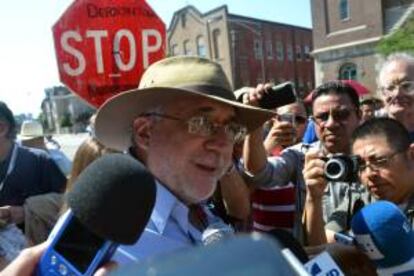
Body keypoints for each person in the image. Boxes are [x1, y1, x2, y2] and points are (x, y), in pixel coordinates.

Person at [93, 56, 274, 262]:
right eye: (203, 123)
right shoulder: (102, 240)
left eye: (232, 128)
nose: (224, 144)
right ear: (145, 133)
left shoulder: (197, 210)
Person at [242, 81, 362, 243]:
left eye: (342, 115)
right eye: (322, 117)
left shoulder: (377, 157)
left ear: (359, 115)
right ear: (313, 121)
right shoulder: (301, 155)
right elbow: (258, 172)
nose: (331, 124)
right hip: (316, 262)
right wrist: (254, 117)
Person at [305, 117, 414, 245]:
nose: (369, 174)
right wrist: (313, 198)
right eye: (361, 165)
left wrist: (355, 253)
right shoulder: (359, 199)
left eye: (379, 161)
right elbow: (320, 251)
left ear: (411, 155)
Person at [0, 102, 66, 221]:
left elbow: (68, 204)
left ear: (2, 128)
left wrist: (27, 212)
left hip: (35, 238)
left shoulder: (39, 161)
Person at [251, 101, 308, 232]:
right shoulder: (256, 153)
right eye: (286, 118)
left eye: (299, 119)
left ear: (307, 122)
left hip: (302, 244)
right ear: (274, 121)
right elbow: (247, 183)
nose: (293, 124)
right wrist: (267, 147)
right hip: (268, 245)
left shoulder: (313, 153)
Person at [378, 52, 414, 140]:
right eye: (390, 87)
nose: (397, 93)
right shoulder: (371, 138)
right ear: (382, 94)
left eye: (406, 86)